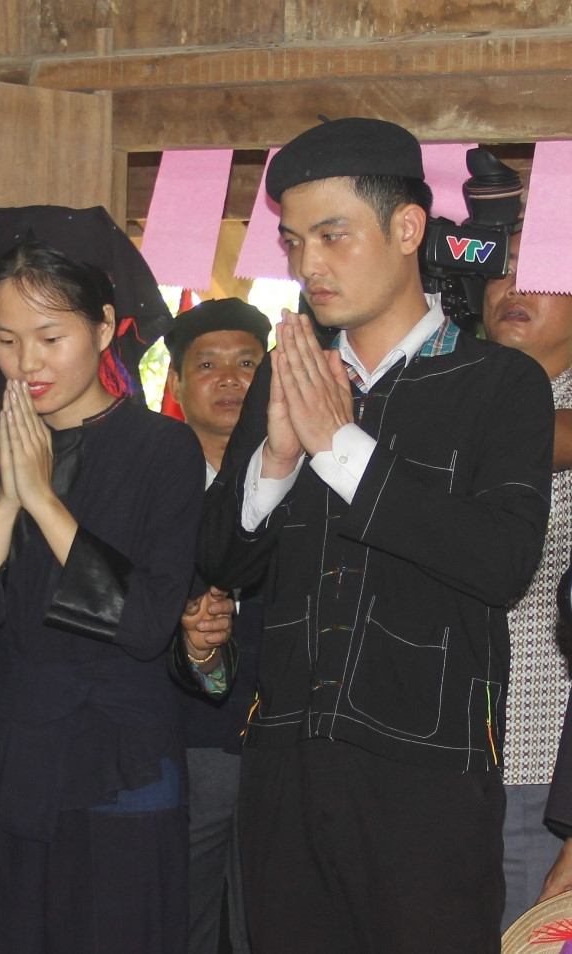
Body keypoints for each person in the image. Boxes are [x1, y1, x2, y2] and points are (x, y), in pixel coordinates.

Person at [197, 117, 555, 953]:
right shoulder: (289, 375)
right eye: (293, 242)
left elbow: (502, 562)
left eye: (333, 235)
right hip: (283, 765)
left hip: (427, 777)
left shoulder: (500, 384)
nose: (308, 265)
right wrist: (278, 458)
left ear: (406, 229)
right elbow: (219, 560)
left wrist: (340, 447)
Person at [0, 239, 205, 954]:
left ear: (102, 328)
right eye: (6, 340)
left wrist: (43, 500)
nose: (26, 363)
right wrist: (6, 504)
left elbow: (145, 623)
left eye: (49, 338)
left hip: (120, 762)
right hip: (0, 756)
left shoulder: (162, 449)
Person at [163, 298, 270, 954]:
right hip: (188, 746)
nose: (229, 378)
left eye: (247, 364)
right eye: (207, 365)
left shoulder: (305, 478)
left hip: (284, 752)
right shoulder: (149, 487)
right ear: (176, 384)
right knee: (182, 920)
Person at [481, 228, 572, 929]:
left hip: (546, 768)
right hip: (437, 760)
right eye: (502, 267)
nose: (514, 286)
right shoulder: (441, 390)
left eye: (539, 270)